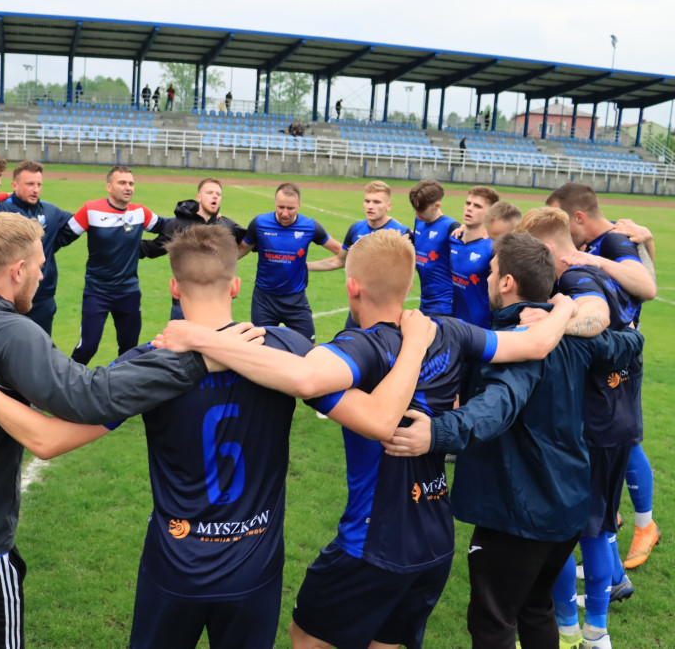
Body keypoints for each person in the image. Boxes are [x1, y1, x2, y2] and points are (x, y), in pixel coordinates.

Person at [0, 225, 434, 648]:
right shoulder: (287, 352)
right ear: (237, 286)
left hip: (175, 568)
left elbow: (45, 441)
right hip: (254, 572)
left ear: (174, 288)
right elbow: (374, 417)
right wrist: (414, 347)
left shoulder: (148, 365)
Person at [157, 229, 580, 649]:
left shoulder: (361, 348)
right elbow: (539, 343)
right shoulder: (450, 332)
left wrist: (200, 337)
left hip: (373, 541)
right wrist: (562, 305)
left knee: (306, 638)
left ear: (352, 287)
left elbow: (305, 377)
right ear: (410, 283)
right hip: (434, 534)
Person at [0, 212, 215, 648]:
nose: (43, 273)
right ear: (19, 270)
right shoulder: (10, 332)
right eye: (40, 265)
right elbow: (87, 397)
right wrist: (194, 360)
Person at [386, 232, 645, 649]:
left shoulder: (520, 343)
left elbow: (499, 404)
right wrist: (590, 319)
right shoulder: (569, 337)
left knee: (493, 620)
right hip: (567, 503)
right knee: (535, 607)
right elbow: (627, 343)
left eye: (490, 272)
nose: (486, 279)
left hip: (518, 510)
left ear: (506, 282)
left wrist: (436, 432)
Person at [517, 207, 644, 649]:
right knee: (598, 529)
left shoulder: (575, 278)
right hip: (620, 414)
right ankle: (593, 633)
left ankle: (574, 631)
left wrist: (555, 323)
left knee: (569, 531)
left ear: (548, 248)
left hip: (595, 423)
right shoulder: (601, 271)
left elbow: (596, 318)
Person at [546, 183, 659, 571]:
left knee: (622, 441)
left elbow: (647, 286)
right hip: (609, 353)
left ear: (578, 217)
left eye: (564, 222)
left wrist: (595, 262)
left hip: (619, 355)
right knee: (613, 444)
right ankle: (609, 538)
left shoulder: (609, 240)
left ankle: (644, 526)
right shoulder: (607, 241)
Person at [56, 166, 167, 364]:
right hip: (97, 293)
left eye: (131, 183)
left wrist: (197, 217)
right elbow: (62, 238)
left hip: (129, 293)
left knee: (129, 349)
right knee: (87, 347)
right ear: (109, 186)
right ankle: (66, 385)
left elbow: (168, 227)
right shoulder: (91, 210)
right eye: (122, 183)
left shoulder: (140, 212)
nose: (128, 188)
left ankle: (120, 389)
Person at [239, 182, 343, 341]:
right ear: (274, 203)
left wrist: (308, 266)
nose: (285, 213)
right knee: (261, 349)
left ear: (299, 205)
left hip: (296, 301)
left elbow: (341, 253)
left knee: (309, 349)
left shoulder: (310, 227)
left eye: (290, 208)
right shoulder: (259, 224)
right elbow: (239, 251)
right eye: (280, 207)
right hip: (264, 301)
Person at [139, 177, 246, 319]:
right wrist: (117, 245)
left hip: (219, 303)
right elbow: (153, 248)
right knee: (182, 341)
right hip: (184, 303)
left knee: (213, 341)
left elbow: (253, 241)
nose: (215, 196)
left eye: (218, 194)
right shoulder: (179, 225)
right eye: (209, 192)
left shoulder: (228, 226)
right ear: (199, 197)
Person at [307, 180, 409, 329]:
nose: (370, 206)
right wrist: (304, 266)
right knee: (348, 348)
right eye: (367, 201)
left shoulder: (401, 233)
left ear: (388, 206)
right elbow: (340, 261)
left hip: (386, 313)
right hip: (358, 309)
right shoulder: (356, 229)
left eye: (376, 202)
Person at [0, 160, 74, 334]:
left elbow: (79, 225)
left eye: (39, 184)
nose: (35, 189)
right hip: (7, 296)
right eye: (30, 184)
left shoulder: (52, 212)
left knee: (41, 350)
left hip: (42, 298)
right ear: (15, 185)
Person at [451, 186, 500, 329]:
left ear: (490, 213)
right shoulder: (453, 238)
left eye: (477, 206)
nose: (469, 208)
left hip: (480, 328)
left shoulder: (492, 248)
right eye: (468, 203)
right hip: (452, 323)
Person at [408, 179, 459, 316]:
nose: (417, 213)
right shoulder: (419, 221)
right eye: (415, 208)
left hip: (445, 306)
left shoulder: (452, 228)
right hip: (425, 302)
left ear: (437, 205)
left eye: (421, 209)